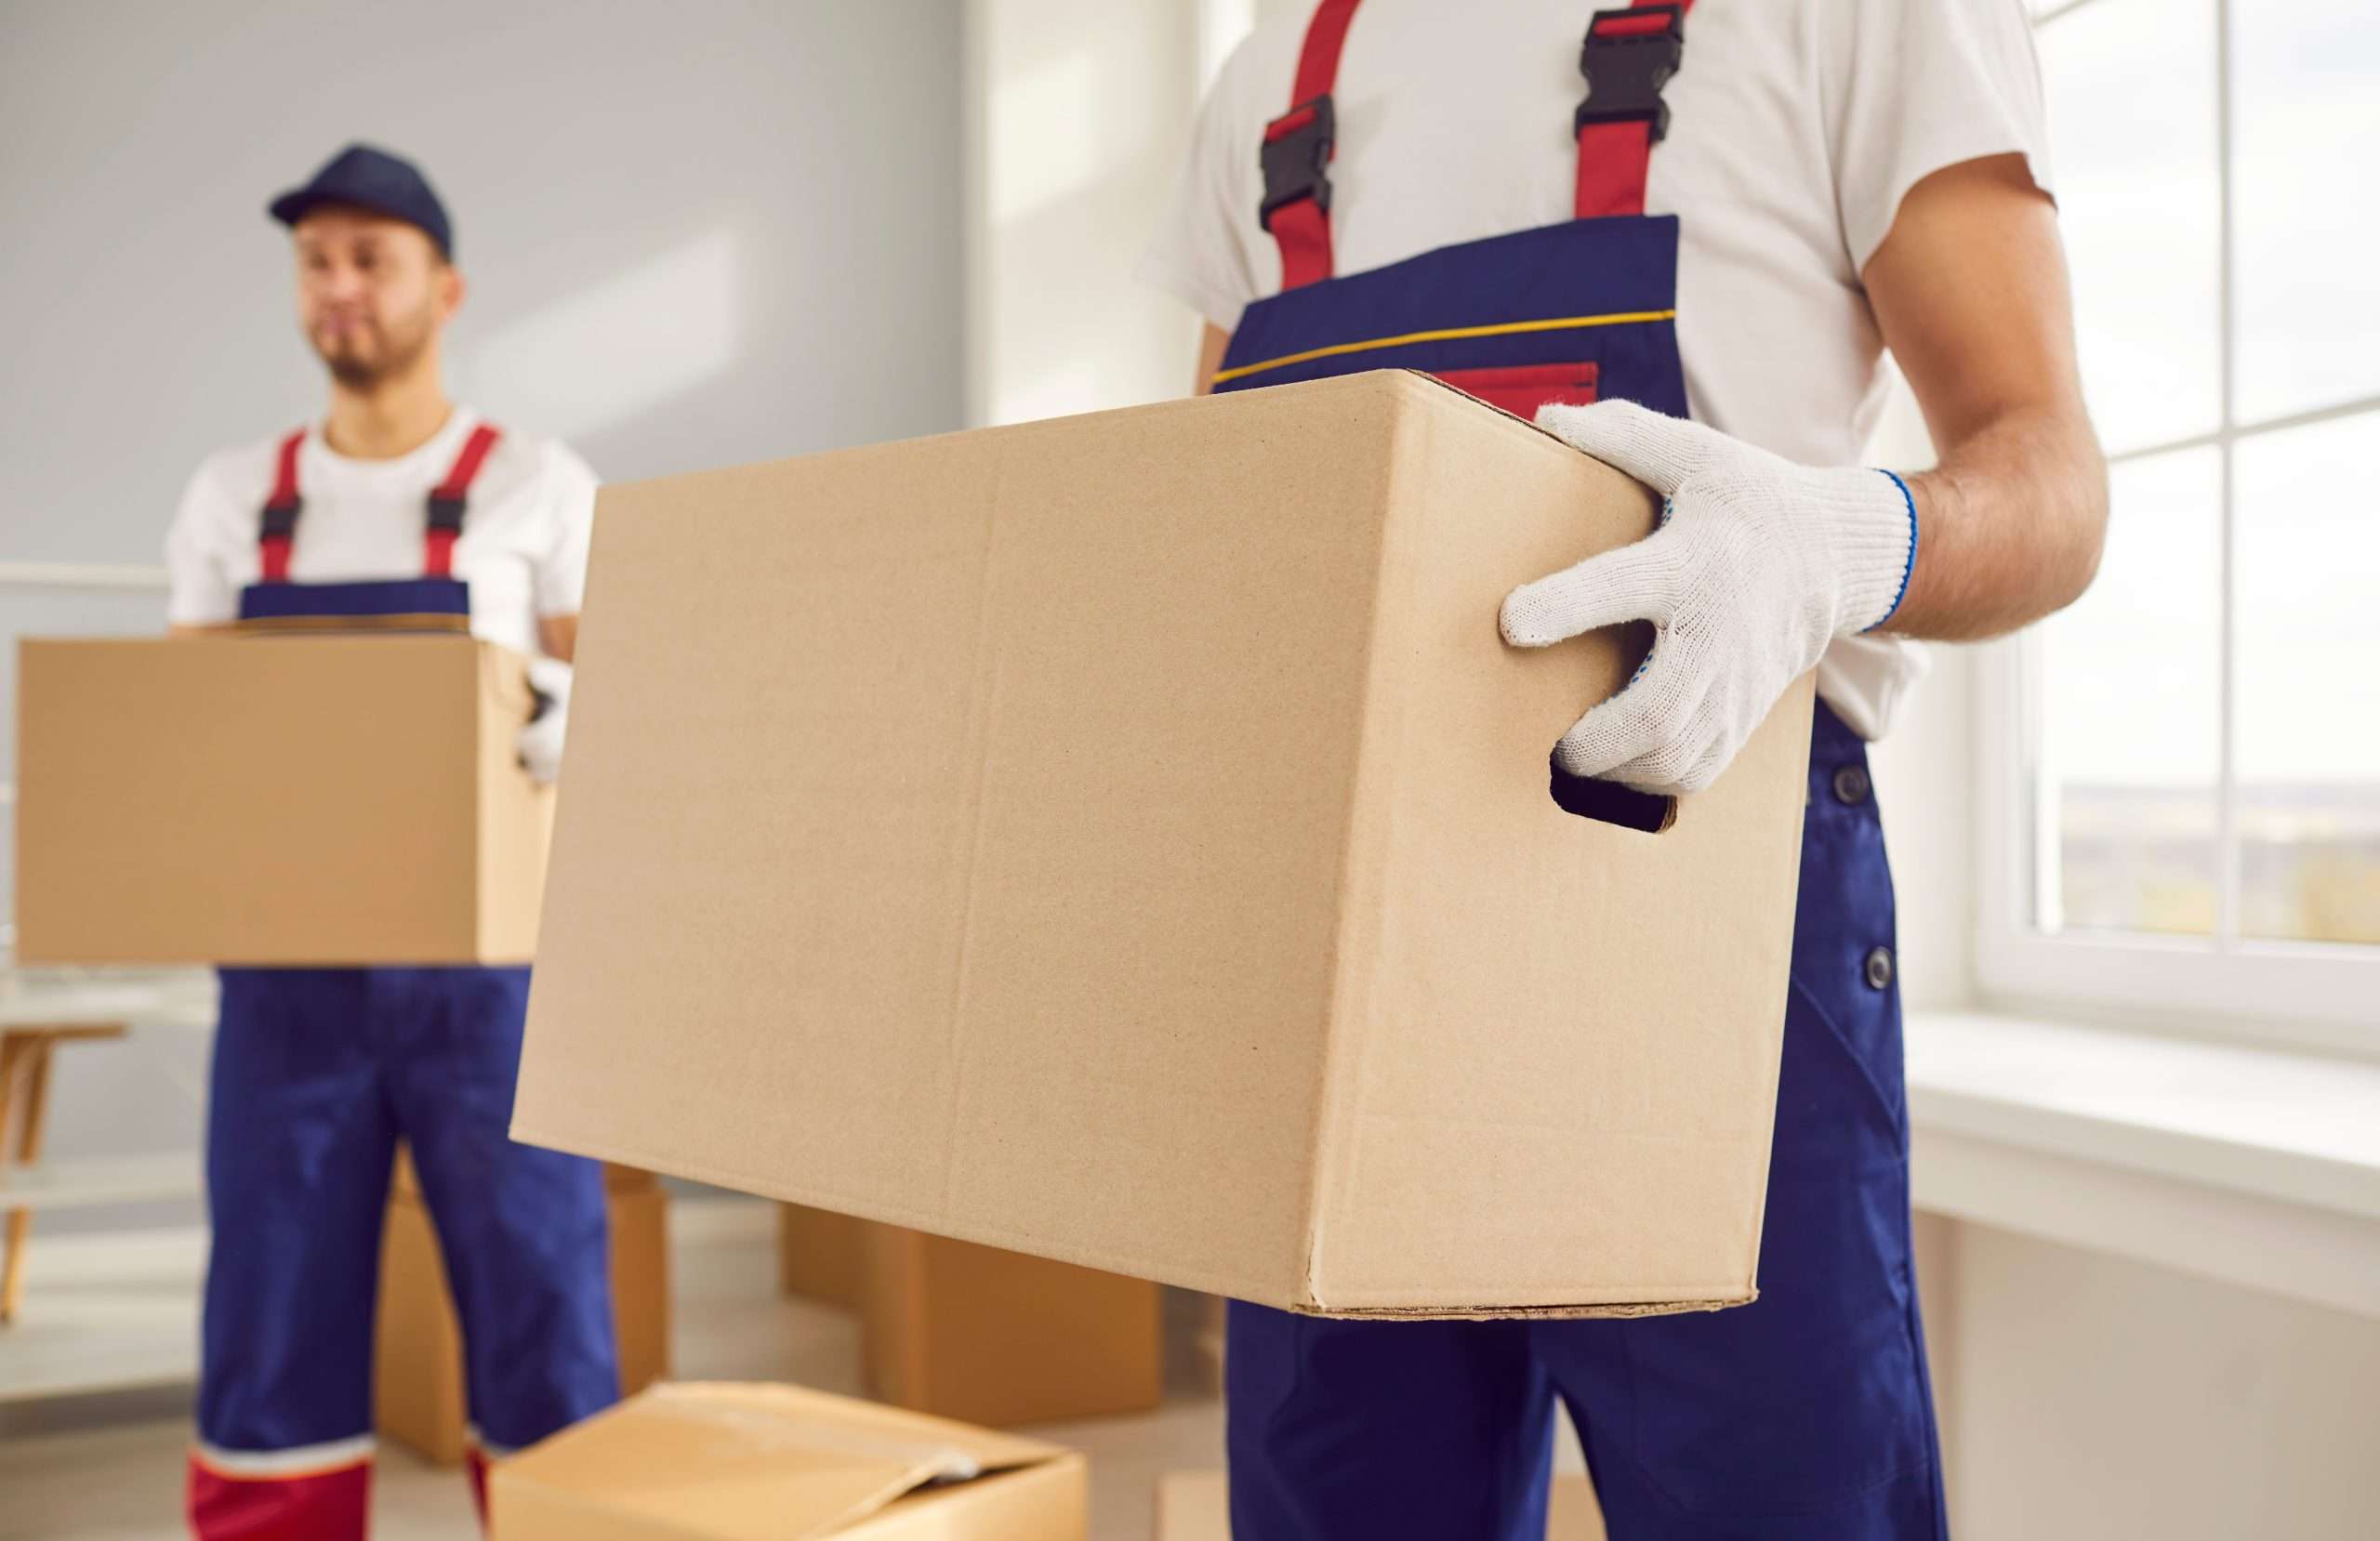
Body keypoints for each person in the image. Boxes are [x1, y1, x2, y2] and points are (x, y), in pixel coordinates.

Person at [1144, 2, 2107, 1536]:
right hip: (1341, 945)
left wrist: (1837, 542)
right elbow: (1225, 521)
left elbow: (2051, 476)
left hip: (1709, 920)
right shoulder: (1276, 74)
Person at [165, 143, 615, 1538]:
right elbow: (185, 729)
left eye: (373, 257)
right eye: (316, 261)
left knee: (544, 1309)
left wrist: (569, 713)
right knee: (270, 1322)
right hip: (288, 983)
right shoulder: (234, 500)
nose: (340, 286)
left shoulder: (535, 485)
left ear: (446, 286)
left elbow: (626, 711)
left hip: (496, 982)